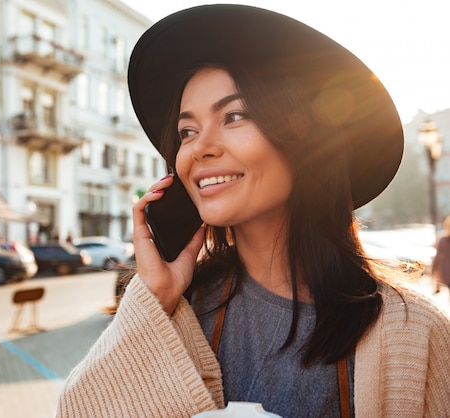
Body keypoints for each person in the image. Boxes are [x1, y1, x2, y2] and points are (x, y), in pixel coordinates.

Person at [57, 5, 450, 417]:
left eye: (234, 115)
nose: (200, 148)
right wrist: (155, 298)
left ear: (304, 144)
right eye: (186, 131)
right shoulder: (178, 309)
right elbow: (77, 409)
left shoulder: (413, 331)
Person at [432, 215, 450, 294]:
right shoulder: (443, 240)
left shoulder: (443, 240)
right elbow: (438, 258)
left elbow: (438, 258)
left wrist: (434, 272)